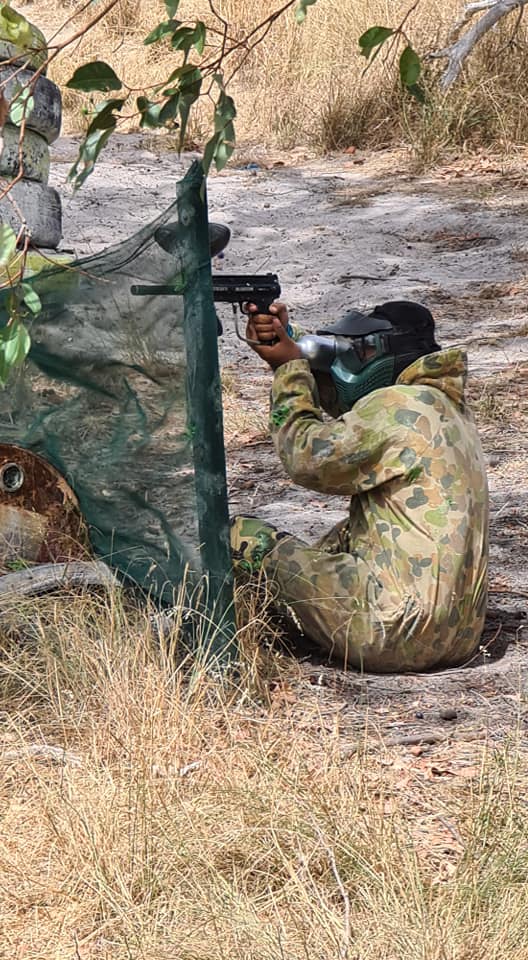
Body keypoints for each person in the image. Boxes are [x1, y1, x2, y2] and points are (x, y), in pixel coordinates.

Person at [230, 299, 489, 673]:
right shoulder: (445, 408)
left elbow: (304, 456)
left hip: (388, 631)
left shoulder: (399, 406)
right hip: (456, 637)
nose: (355, 361)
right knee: (347, 534)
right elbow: (358, 418)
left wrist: (289, 369)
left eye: (362, 351)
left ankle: (218, 633)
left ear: (388, 353)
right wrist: (292, 342)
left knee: (241, 536)